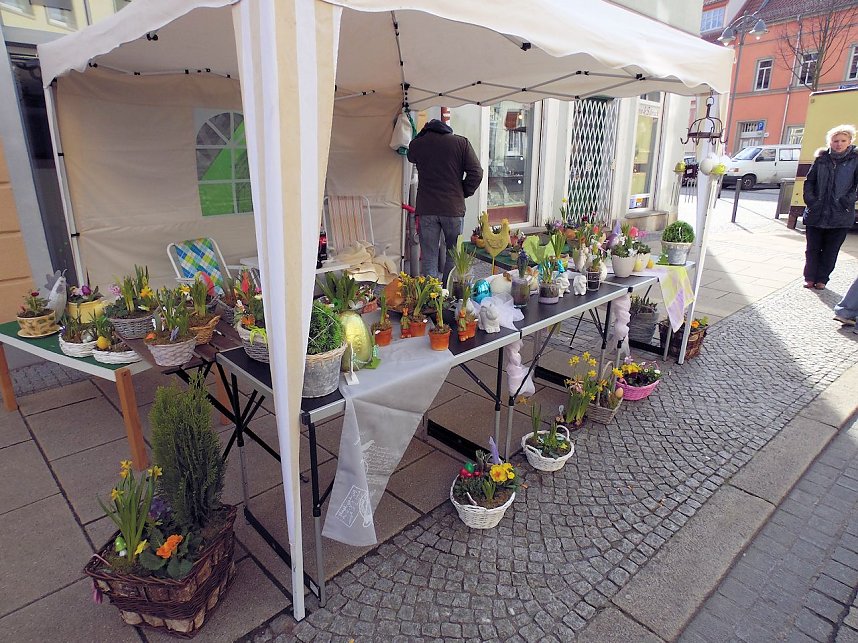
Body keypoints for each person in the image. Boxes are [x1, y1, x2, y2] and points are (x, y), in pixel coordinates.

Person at [408, 119, 483, 282]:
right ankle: (447, 293)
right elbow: (476, 173)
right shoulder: (461, 143)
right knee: (452, 255)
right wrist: (463, 191)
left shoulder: (419, 144)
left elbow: (410, 154)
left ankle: (431, 298)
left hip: (427, 209)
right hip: (453, 209)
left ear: (427, 130)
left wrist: (422, 134)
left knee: (429, 257)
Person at [802, 124, 858, 290]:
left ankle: (822, 279)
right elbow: (810, 181)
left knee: (830, 250)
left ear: (849, 141)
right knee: (812, 249)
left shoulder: (855, 160)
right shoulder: (821, 159)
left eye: (842, 140)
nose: (838, 144)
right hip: (816, 212)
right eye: (835, 141)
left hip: (840, 214)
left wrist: (847, 201)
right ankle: (809, 277)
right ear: (830, 142)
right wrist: (811, 200)